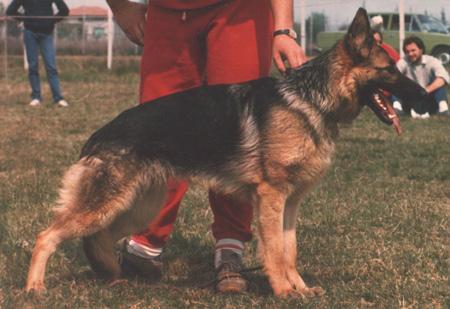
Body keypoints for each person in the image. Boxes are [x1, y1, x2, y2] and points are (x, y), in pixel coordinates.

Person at [106, 0, 307, 293]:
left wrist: (283, 29)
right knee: (157, 129)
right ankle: (146, 244)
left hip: (240, 11)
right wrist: (120, 6)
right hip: (168, 11)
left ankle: (230, 249)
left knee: (238, 131)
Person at [6, 0, 69, 107]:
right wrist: (26, 19)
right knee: (33, 66)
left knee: (51, 66)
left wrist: (52, 21)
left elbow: (64, 10)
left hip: (47, 34)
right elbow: (10, 11)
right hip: (30, 33)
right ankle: (36, 97)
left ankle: (58, 98)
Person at [397, 36, 449, 118]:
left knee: (438, 80)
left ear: (421, 50)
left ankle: (443, 109)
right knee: (395, 81)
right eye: (407, 51)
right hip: (410, 96)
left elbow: (443, 78)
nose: (410, 54)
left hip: (428, 95)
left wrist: (426, 90)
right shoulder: (403, 62)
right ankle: (397, 108)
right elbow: (393, 77)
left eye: (413, 50)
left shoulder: (432, 61)